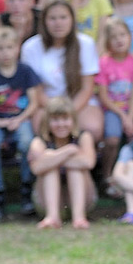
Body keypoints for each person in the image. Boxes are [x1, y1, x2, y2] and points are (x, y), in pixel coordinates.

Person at [0, 26, 42, 221]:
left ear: (17, 49)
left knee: (26, 142)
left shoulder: (25, 71)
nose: (5, 53)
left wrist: (20, 119)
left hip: (20, 118)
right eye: (0, 48)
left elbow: (34, 102)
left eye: (9, 47)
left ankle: (26, 190)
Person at [21, 0, 103, 143]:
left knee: (93, 127)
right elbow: (36, 91)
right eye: (52, 18)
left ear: (72, 19)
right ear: (44, 21)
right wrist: (57, 113)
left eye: (63, 17)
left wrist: (68, 113)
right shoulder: (31, 47)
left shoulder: (85, 44)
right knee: (41, 126)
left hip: (78, 102)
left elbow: (86, 88)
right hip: (45, 104)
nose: (58, 23)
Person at [28, 96, 97, 230]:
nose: (61, 124)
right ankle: (52, 217)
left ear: (73, 120)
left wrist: (52, 157)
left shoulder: (84, 137)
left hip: (84, 200)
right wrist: (68, 151)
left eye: (65, 119)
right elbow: (36, 168)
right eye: (55, 120)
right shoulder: (39, 141)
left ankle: (79, 217)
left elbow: (88, 162)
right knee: (49, 168)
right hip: (46, 201)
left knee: (74, 168)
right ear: (47, 122)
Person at [95, 16, 133, 189]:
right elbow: (103, 96)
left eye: (122, 35)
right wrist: (123, 116)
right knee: (113, 138)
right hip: (112, 109)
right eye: (114, 37)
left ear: (130, 37)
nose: (119, 40)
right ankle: (107, 175)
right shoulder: (104, 63)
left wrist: (130, 117)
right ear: (107, 41)